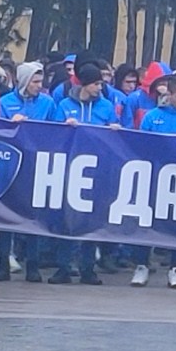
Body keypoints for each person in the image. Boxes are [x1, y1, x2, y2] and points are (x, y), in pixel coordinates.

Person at [50, 63, 119, 286]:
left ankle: (87, 268)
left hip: (97, 169)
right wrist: (64, 126)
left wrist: (115, 130)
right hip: (70, 168)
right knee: (67, 220)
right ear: (84, 84)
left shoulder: (107, 107)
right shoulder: (64, 105)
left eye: (101, 83)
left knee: (91, 220)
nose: (101, 87)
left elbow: (118, 136)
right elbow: (50, 132)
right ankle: (63, 266)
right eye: (96, 83)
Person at [0, 62, 58, 283]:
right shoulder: (5, 102)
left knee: (33, 217)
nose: (39, 86)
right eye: (35, 81)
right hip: (10, 167)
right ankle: (2, 261)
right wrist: (10, 125)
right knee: (6, 216)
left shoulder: (48, 103)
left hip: (36, 167)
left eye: (41, 82)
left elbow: (56, 132)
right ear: (24, 81)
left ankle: (33, 263)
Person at [138, 75, 176, 289]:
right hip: (154, 176)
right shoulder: (152, 117)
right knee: (146, 222)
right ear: (169, 95)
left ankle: (175, 269)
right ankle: (141, 264)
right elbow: (141, 145)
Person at [121, 61, 172, 129]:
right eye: (162, 81)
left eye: (168, 81)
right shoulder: (134, 99)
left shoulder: (173, 99)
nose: (165, 84)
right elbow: (127, 126)